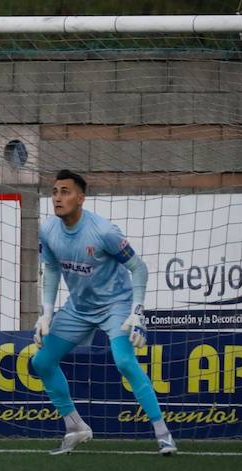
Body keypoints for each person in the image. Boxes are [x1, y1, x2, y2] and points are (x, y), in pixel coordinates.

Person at [31, 170, 176, 456]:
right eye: (55, 192)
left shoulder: (104, 231)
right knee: (42, 361)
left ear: (81, 198)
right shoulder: (48, 229)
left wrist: (137, 312)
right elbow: (51, 268)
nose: (58, 198)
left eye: (65, 192)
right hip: (79, 308)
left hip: (116, 306)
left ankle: (163, 434)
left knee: (125, 362)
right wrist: (46, 313)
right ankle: (75, 426)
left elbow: (139, 268)